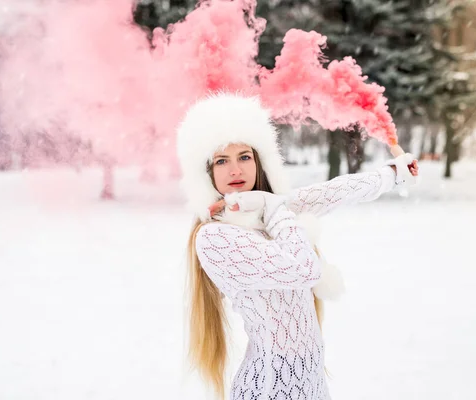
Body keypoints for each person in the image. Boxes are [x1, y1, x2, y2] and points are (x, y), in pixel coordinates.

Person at [177, 92, 418, 400]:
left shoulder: (267, 211)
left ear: (260, 162)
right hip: (269, 388)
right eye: (221, 161)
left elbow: (331, 192)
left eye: (244, 157)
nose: (235, 170)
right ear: (207, 172)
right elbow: (304, 269)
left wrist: (392, 175)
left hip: (311, 384)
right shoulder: (214, 237)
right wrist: (273, 205)